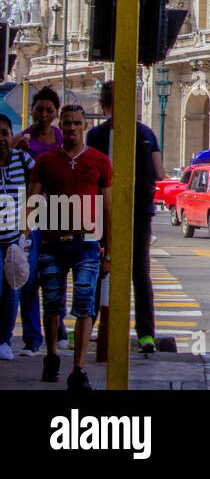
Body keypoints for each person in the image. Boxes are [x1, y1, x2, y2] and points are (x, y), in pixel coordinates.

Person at [29, 104, 111, 390]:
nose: (72, 128)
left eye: (77, 123)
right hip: (52, 242)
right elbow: (32, 201)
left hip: (87, 243)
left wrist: (109, 249)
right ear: (60, 126)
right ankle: (52, 356)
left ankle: (78, 369)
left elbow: (108, 207)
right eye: (67, 123)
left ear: (84, 126)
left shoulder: (99, 161)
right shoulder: (46, 161)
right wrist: (26, 240)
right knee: (52, 305)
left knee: (85, 305)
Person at [86, 81, 163, 353]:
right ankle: (146, 335)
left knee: (96, 270)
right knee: (140, 273)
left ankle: (88, 326)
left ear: (104, 104)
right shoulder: (146, 133)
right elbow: (160, 173)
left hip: (101, 211)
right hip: (139, 211)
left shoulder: (96, 135)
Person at [13, 87, 65, 353]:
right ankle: (33, 339)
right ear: (32, 111)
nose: (43, 115)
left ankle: (60, 330)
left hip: (59, 213)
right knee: (29, 277)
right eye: (39, 109)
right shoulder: (21, 140)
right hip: (31, 215)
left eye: (49, 110)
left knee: (56, 273)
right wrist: (14, 146)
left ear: (55, 114)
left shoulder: (62, 139)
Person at [0, 115, 31, 361]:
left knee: (12, 289)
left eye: (5, 133)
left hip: (15, 239)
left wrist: (27, 231)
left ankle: (5, 341)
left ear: (12, 136)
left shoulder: (22, 160)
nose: (1, 138)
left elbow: (41, 186)